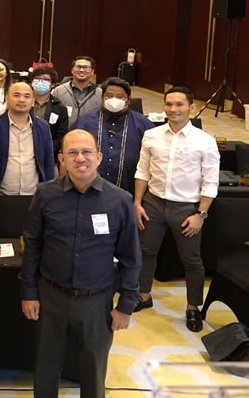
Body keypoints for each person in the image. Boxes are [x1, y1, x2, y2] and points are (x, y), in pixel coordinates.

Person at [22, 129, 141, 398]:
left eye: (87, 151)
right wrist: (28, 292)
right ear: (61, 158)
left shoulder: (120, 200)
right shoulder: (44, 194)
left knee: (94, 369)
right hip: (50, 296)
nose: (80, 158)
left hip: (96, 301)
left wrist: (126, 305)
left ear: (98, 157)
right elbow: (32, 246)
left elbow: (131, 257)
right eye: (72, 152)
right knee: (45, 365)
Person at [133, 86, 219, 332]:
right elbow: (142, 171)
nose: (173, 109)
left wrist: (200, 214)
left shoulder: (205, 141)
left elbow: (210, 181)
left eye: (179, 104)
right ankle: (143, 295)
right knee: (146, 251)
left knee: (191, 260)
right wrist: (137, 202)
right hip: (153, 203)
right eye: (169, 104)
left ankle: (193, 308)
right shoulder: (152, 135)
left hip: (187, 209)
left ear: (191, 108)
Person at [0, 82, 55, 196]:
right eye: (16, 95)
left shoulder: (43, 127)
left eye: (27, 96)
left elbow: (48, 162)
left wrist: (48, 191)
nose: (21, 100)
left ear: (32, 102)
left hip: (34, 196)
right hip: (1, 196)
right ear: (7, 98)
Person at [73, 77, 153, 191]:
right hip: (87, 189)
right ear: (103, 98)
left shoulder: (143, 125)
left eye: (120, 97)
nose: (114, 100)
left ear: (128, 100)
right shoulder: (85, 121)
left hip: (128, 190)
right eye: (109, 96)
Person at [52, 56, 102, 128]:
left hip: (90, 136)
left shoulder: (100, 93)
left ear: (92, 72)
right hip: (64, 136)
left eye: (86, 67)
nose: (81, 70)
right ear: (72, 70)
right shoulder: (58, 91)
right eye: (78, 67)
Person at [31, 66, 69, 157]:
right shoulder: (23, 103)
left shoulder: (60, 108)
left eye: (45, 79)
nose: (40, 82)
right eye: (37, 78)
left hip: (48, 155)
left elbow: (61, 136)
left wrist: (45, 150)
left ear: (52, 84)